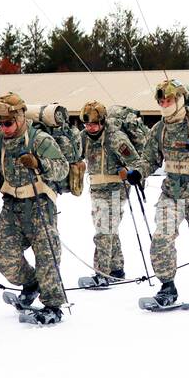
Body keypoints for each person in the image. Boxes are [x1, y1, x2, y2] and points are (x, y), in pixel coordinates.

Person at [121, 79, 189, 308]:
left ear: (179, 100)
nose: (164, 104)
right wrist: (138, 173)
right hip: (171, 193)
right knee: (161, 238)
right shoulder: (159, 130)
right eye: (161, 101)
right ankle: (167, 287)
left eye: (169, 100)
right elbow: (149, 159)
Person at [0, 92, 70, 323]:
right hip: (12, 205)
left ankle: (53, 304)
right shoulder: (0, 142)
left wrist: (39, 163)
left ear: (21, 118)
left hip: (40, 204)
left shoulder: (40, 139)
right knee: (0, 250)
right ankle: (31, 283)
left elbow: (62, 169)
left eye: (8, 123)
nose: (4, 128)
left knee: (46, 253)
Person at [80, 101, 137, 286]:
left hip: (115, 189)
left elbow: (136, 162)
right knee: (108, 229)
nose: (91, 128)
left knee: (104, 230)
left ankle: (102, 272)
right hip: (96, 189)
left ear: (103, 122)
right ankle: (116, 268)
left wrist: (126, 170)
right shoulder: (84, 137)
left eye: (94, 124)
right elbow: (74, 155)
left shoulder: (116, 138)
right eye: (87, 124)